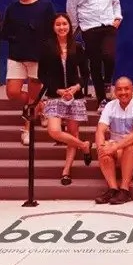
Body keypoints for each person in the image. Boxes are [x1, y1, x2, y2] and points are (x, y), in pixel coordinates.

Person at [0, 0, 56, 145]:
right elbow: (5, 32)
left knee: (33, 95)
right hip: (16, 56)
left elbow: (52, 31)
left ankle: (27, 129)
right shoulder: (12, 8)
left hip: (38, 57)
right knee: (12, 92)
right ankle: (42, 105)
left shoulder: (46, 6)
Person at [37, 12, 90, 185]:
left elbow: (85, 73)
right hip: (55, 95)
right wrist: (57, 90)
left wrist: (76, 87)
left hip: (75, 96)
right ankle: (84, 146)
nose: (62, 27)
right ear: (53, 27)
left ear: (70, 26)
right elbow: (42, 75)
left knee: (73, 133)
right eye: (58, 24)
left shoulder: (78, 47)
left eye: (64, 24)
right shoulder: (46, 47)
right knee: (54, 131)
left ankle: (66, 171)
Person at [66, 0, 122, 102]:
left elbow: (115, 2)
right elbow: (71, 8)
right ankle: (101, 100)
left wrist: (117, 19)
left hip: (108, 26)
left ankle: (107, 81)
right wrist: (72, 31)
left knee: (109, 56)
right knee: (95, 64)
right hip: (89, 28)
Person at [93, 77, 133, 205]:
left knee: (130, 145)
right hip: (117, 149)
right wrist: (101, 147)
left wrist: (114, 148)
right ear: (115, 92)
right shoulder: (110, 106)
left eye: (126, 89)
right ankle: (113, 189)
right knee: (104, 146)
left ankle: (125, 190)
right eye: (119, 89)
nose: (123, 92)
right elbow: (100, 130)